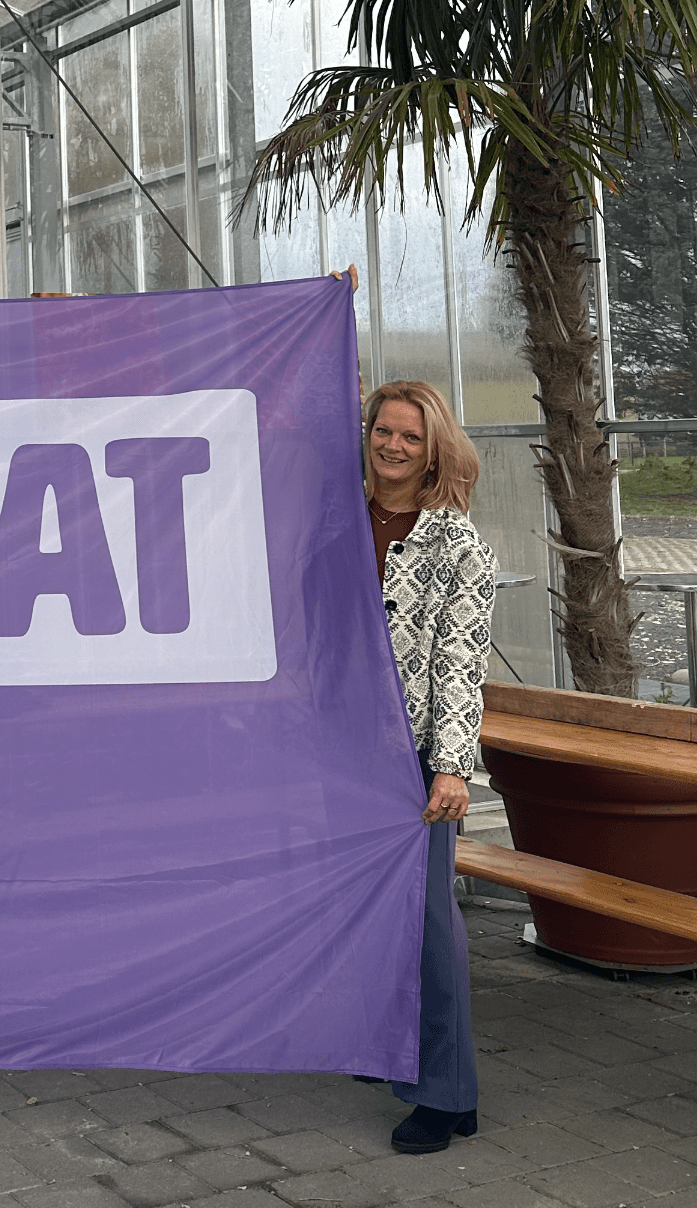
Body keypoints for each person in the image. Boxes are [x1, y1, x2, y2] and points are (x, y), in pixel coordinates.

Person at [362, 379, 496, 1154]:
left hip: (414, 756)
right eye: (384, 431)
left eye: (410, 436)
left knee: (428, 925)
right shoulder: (346, 519)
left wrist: (451, 767)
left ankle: (444, 1094)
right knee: (372, 914)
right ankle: (396, 1057)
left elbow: (460, 662)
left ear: (435, 447)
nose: (393, 447)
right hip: (343, 747)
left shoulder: (457, 543)